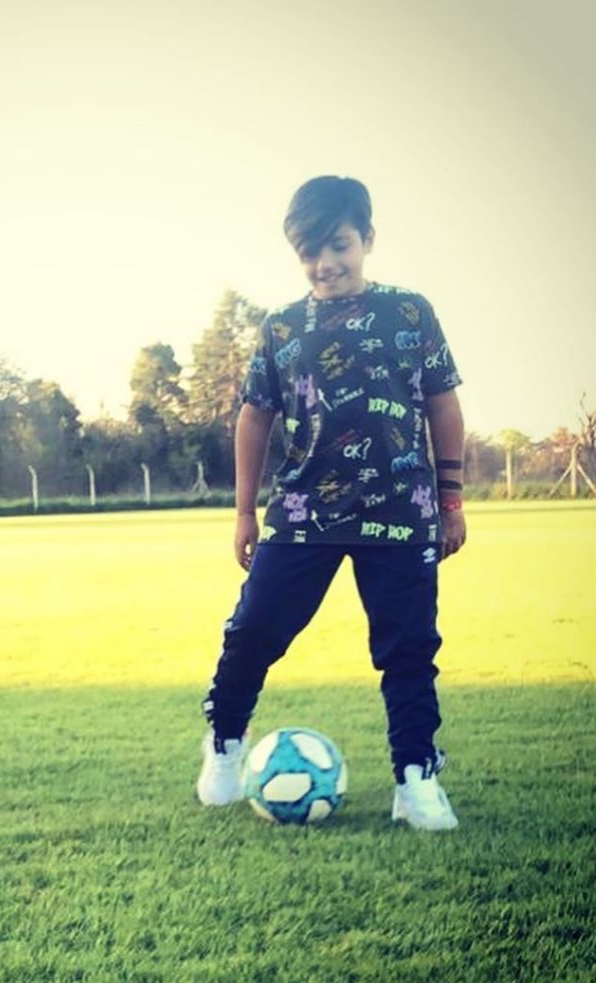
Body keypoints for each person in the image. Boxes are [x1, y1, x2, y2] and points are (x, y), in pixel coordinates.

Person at [196, 176, 466, 830]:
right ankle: (225, 742)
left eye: (339, 245)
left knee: (408, 649)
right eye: (309, 252)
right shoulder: (282, 327)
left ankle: (415, 777)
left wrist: (452, 498)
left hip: (401, 512)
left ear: (367, 238)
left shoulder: (410, 313)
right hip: (303, 513)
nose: (325, 264)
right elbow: (254, 417)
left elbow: (443, 404)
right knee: (254, 630)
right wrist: (243, 512)